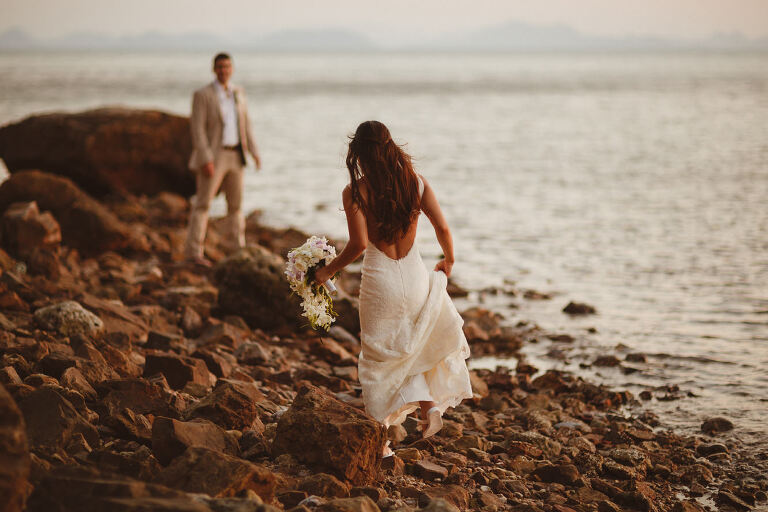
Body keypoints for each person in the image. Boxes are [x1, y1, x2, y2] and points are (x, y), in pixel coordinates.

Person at [314, 120, 472, 456]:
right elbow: (442, 227)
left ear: (359, 152)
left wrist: (326, 271)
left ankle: (382, 441)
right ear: (390, 147)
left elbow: (357, 245)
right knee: (411, 346)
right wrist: (450, 261)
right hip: (414, 275)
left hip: (381, 280)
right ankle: (429, 409)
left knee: (377, 357)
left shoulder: (356, 190)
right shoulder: (415, 183)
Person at [184, 52, 261, 266]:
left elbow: (246, 124)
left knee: (235, 206)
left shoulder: (239, 93)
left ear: (232, 69)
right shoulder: (203, 94)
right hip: (214, 157)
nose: (223, 70)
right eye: (219, 67)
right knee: (203, 204)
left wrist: (254, 152)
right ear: (213, 69)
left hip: (236, 155)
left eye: (227, 67)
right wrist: (206, 158)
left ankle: (236, 249)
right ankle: (193, 252)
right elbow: (197, 130)